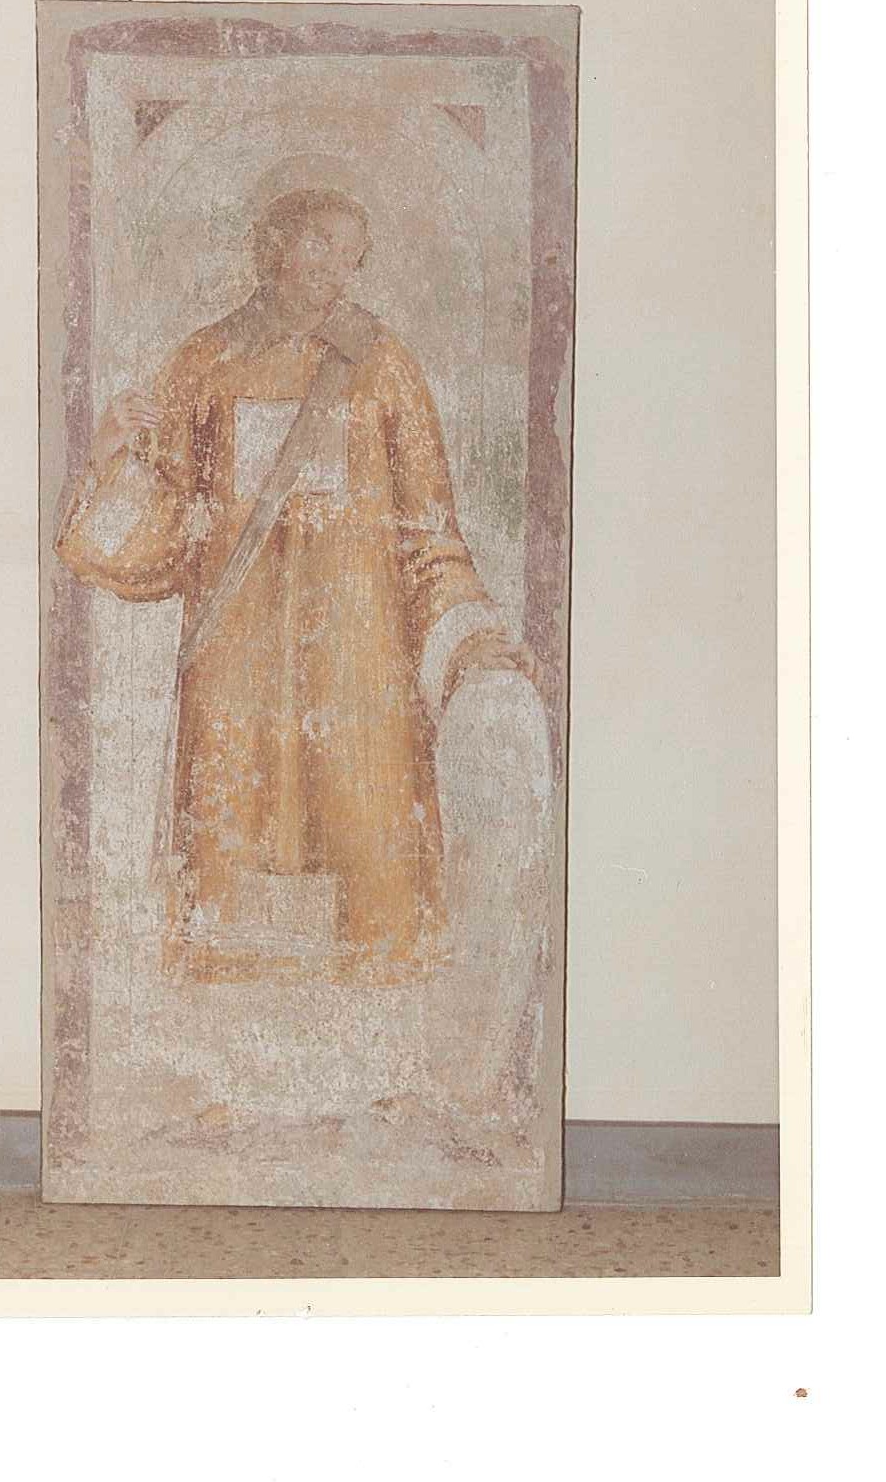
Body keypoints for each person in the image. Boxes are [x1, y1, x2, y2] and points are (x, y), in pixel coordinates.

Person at [55, 186, 532, 984]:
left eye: (349, 253)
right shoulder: (204, 365)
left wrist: (471, 637)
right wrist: (107, 459)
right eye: (317, 243)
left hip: (359, 676)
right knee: (229, 921)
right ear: (269, 245)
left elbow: (427, 534)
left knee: (372, 907)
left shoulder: (383, 367)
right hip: (235, 677)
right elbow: (165, 526)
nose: (333, 268)